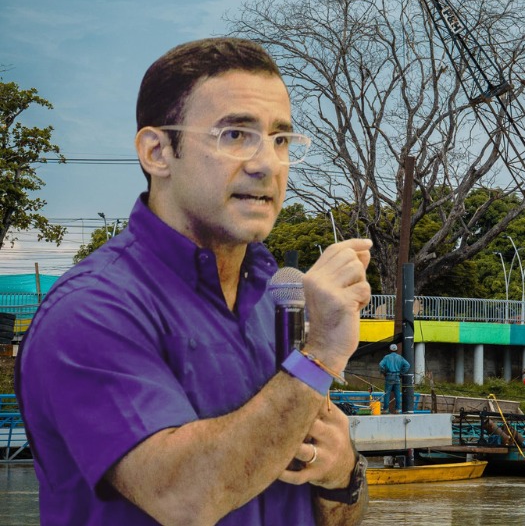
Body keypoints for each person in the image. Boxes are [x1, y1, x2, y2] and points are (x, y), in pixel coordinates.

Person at [15, 38, 371, 525]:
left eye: (280, 139)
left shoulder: (276, 299)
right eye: (235, 135)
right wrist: (320, 355)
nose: (267, 163)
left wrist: (343, 473)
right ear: (157, 151)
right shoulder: (90, 311)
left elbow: (338, 515)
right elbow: (183, 499)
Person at [379, 344, 410, 414]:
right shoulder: (400, 357)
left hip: (389, 376)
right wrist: (401, 373)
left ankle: (385, 409)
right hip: (397, 377)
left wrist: (384, 372)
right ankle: (398, 409)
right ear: (396, 350)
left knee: (387, 393)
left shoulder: (386, 357)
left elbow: (380, 365)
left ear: (390, 350)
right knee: (397, 394)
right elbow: (407, 365)